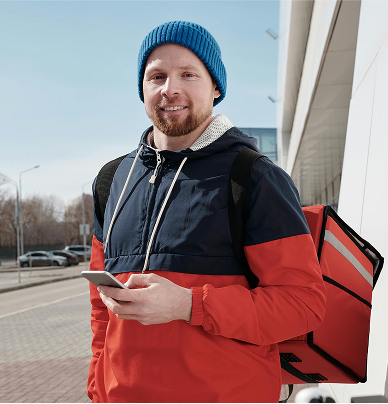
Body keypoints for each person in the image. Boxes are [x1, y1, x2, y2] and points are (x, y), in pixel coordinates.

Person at [87, 21, 326, 403]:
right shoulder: (111, 180)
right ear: (142, 88)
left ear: (215, 87)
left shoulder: (254, 177)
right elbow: (101, 306)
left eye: (188, 74)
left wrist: (188, 305)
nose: (170, 89)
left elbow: (303, 305)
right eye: (157, 76)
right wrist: (98, 386)